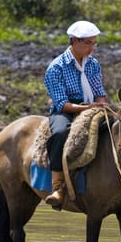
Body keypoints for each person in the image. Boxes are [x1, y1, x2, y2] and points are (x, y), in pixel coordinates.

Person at [44, 20, 108, 209]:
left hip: (91, 106)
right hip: (67, 110)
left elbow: (99, 91)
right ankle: (57, 186)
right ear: (74, 41)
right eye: (88, 43)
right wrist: (86, 109)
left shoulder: (93, 64)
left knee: (116, 126)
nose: (92, 47)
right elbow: (62, 104)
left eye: (94, 43)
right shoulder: (56, 67)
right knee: (60, 133)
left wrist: (102, 105)